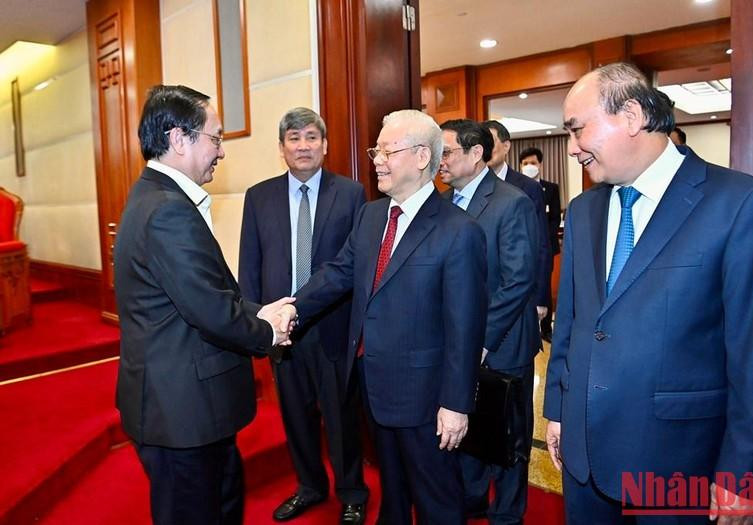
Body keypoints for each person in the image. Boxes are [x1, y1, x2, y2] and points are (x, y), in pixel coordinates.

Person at [544, 62, 753, 524]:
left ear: (632, 116)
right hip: (584, 458)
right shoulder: (582, 211)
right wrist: (557, 410)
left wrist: (743, 473)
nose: (573, 149)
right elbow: (573, 323)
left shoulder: (740, 204)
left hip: (679, 462)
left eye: (578, 131)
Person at [278, 109, 488, 524]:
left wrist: (456, 403)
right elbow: (339, 273)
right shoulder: (373, 215)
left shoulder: (459, 231)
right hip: (374, 389)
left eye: (387, 151)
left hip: (428, 399)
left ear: (422, 158)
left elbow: (465, 328)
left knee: (437, 502)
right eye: (377, 150)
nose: (376, 160)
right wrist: (292, 307)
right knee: (392, 495)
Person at [114, 84, 294, 525]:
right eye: (215, 138)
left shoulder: (155, 197)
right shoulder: (167, 210)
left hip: (183, 406)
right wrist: (268, 329)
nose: (222, 152)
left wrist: (257, 313)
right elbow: (211, 311)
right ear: (179, 139)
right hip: (181, 414)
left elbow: (205, 295)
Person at [238, 107, 368, 524]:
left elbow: (356, 267)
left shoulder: (350, 194)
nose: (303, 146)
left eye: (311, 137)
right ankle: (310, 487)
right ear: (281, 149)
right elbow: (250, 265)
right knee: (295, 416)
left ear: (325, 145)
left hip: (332, 325)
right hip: (281, 332)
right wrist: (256, 322)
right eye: (294, 138)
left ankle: (352, 492)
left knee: (341, 417)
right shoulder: (258, 197)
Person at [438, 118, 538, 524]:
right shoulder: (441, 203)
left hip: (503, 342)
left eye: (446, 152)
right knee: (470, 430)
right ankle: (473, 499)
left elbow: (519, 280)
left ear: (475, 153)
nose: (439, 161)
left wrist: (480, 338)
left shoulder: (510, 202)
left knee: (509, 439)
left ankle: (508, 514)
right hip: (457, 344)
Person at [483, 120, 551, 348]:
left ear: (506, 145)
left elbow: (541, 243)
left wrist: (542, 297)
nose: (485, 148)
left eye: (490, 142)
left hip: (521, 296)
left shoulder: (527, 187)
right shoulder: (470, 187)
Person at [518, 147, 561, 342]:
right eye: (525, 163)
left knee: (545, 281)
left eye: (533, 163)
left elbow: (553, 218)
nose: (529, 167)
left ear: (540, 165)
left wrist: (546, 237)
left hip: (547, 245)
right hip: (525, 246)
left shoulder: (550, 188)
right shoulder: (516, 188)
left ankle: (546, 328)